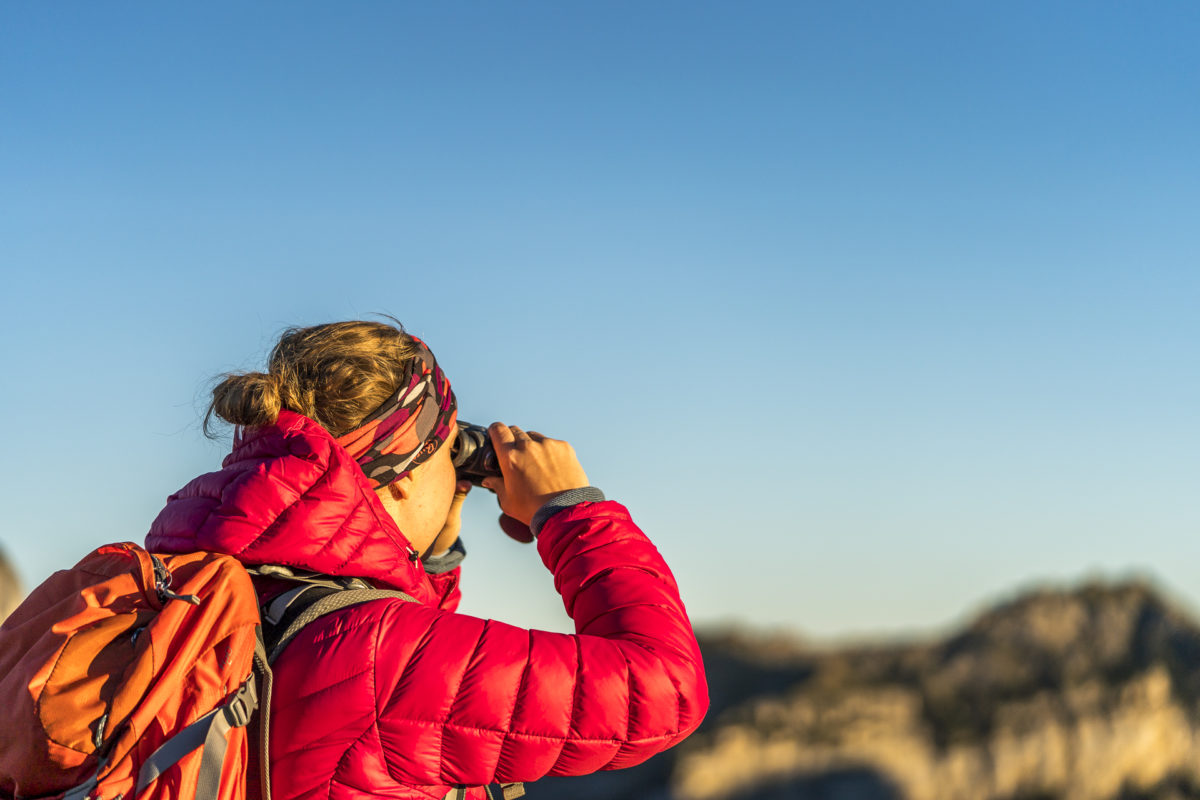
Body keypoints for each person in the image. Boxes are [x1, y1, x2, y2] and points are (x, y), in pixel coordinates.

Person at [144, 320, 709, 800]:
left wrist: (431, 553)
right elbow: (665, 692)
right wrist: (570, 511)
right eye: (446, 451)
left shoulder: (210, 591)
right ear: (407, 475)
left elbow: (380, 679)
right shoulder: (379, 656)